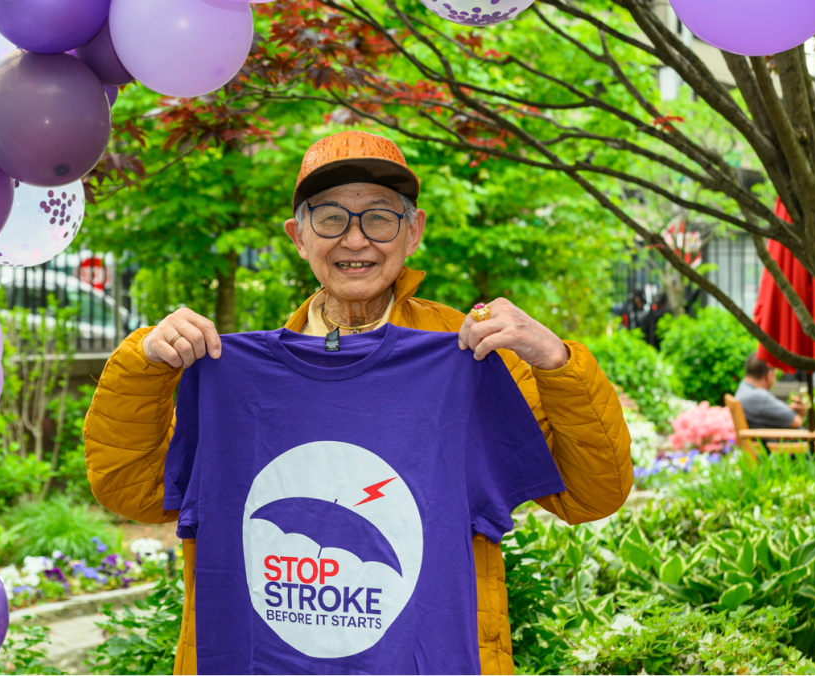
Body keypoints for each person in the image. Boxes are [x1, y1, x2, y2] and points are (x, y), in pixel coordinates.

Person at [83, 130, 632, 675]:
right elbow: (134, 490)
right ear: (298, 237)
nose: (354, 240)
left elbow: (589, 494)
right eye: (329, 218)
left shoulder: (470, 360)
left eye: (379, 217)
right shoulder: (240, 378)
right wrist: (144, 368)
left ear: (412, 231)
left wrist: (558, 361)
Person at [735, 353, 808, 429]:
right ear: (770, 375)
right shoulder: (759, 397)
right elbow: (796, 421)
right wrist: (799, 414)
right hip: (781, 440)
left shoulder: (743, 388)